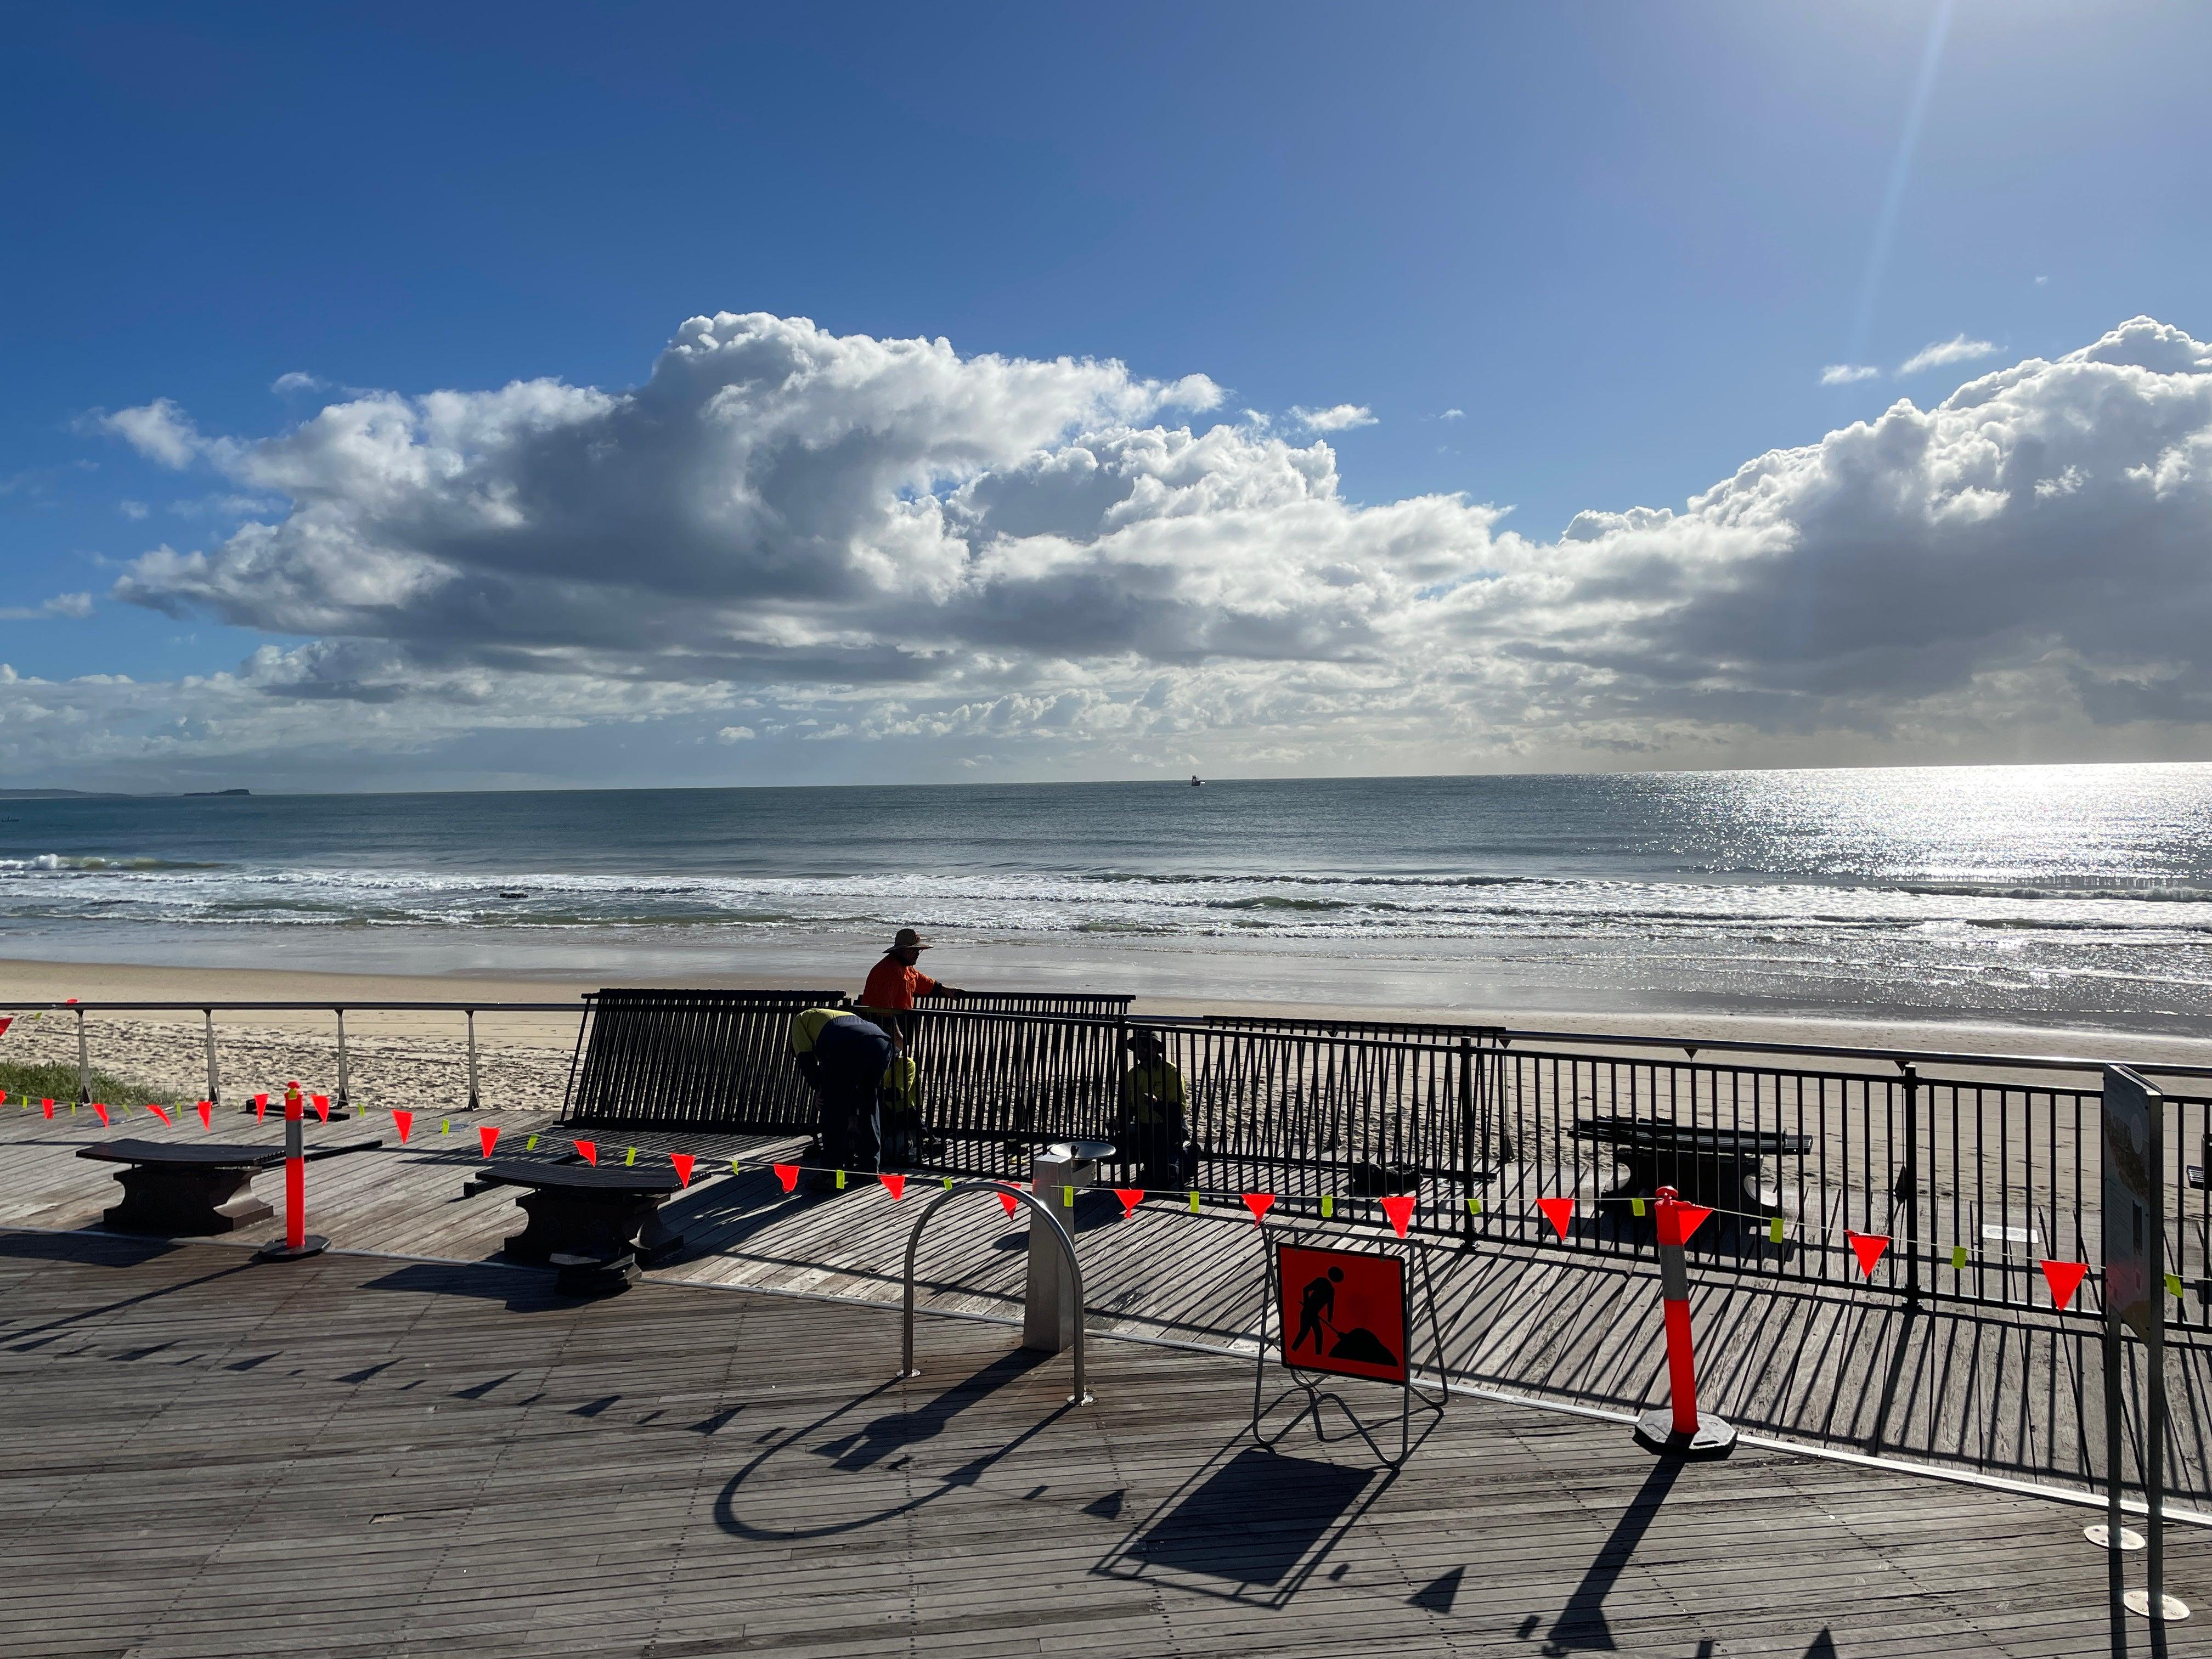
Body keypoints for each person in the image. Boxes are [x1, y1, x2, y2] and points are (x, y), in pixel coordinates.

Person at [787, 1007, 899, 1188]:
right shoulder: (834, 1016)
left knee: (833, 1111)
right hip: (881, 1044)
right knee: (869, 1104)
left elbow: (806, 1060)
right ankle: (870, 1170)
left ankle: (831, 1177)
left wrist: (819, 1089)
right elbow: (851, 1079)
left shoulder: (799, 1022)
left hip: (848, 1044)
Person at [860, 928, 967, 1045]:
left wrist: (944, 989)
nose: (917, 954)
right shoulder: (889, 970)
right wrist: (896, 1034)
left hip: (898, 1022)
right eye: (913, 950)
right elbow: (883, 1008)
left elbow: (920, 980)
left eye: (918, 950)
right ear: (900, 951)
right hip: (881, 1029)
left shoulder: (904, 967)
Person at [1116, 1029, 1192, 1190]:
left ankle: (1187, 1155)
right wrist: (1121, 1122)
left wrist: (1157, 1104)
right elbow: (1129, 1107)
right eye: (1138, 1046)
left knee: (1163, 1181)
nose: (1141, 1049)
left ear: (1156, 1048)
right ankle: (1152, 1162)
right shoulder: (1132, 1075)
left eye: (1145, 1045)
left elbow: (1178, 1112)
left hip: (1166, 1130)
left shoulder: (1171, 1072)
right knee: (1115, 1151)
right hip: (1143, 1129)